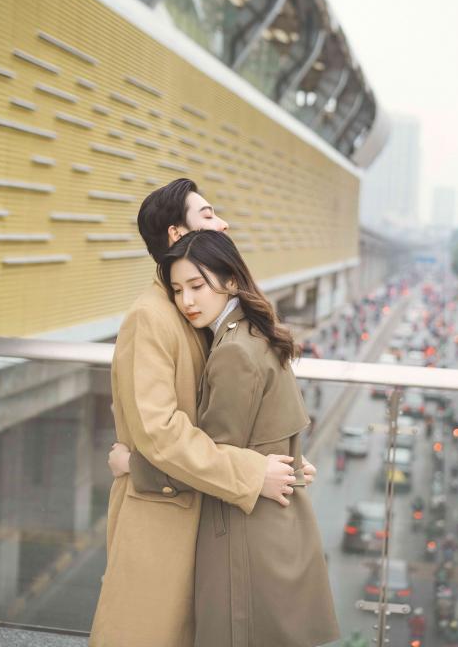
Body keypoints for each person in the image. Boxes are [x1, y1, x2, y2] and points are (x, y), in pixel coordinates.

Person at [89, 179, 315, 647]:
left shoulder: (194, 313)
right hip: (162, 516)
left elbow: (225, 415)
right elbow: (161, 432)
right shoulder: (153, 316)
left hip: (201, 509)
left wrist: (278, 457)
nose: (223, 223)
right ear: (178, 235)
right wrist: (252, 471)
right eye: (208, 215)